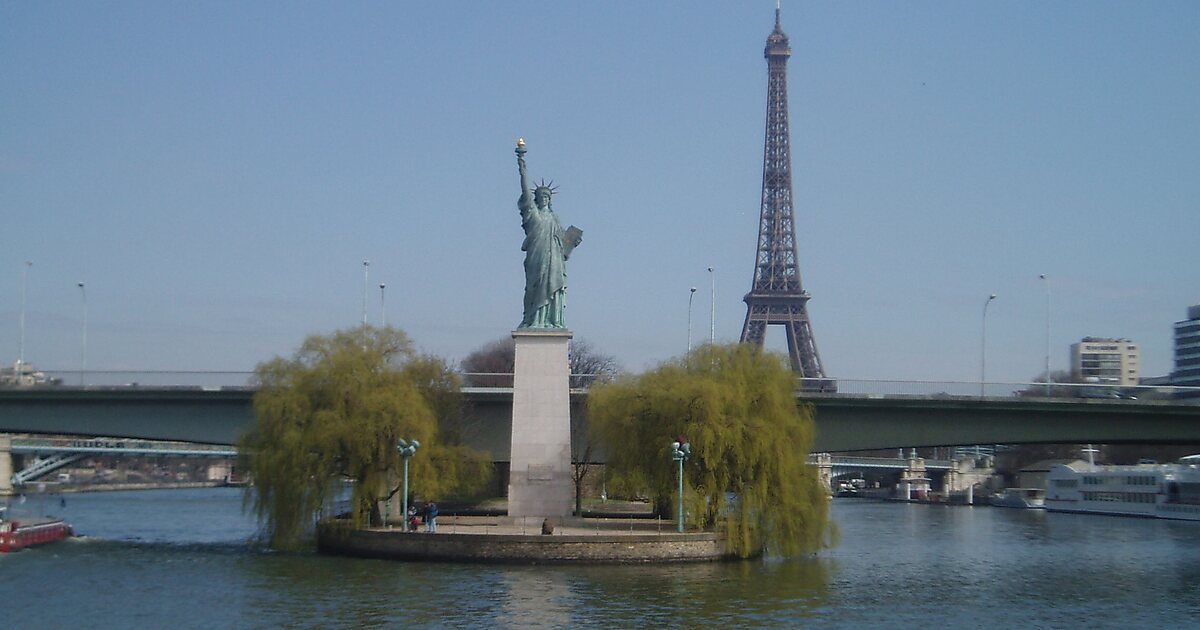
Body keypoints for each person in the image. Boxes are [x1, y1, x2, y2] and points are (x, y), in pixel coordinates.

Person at [514, 139, 581, 329]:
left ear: (550, 199)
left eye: (547, 196)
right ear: (536, 199)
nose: (544, 198)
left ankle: (552, 321)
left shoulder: (555, 218)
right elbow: (525, 191)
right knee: (534, 288)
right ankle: (533, 319)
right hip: (537, 257)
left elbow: (564, 244)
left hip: (554, 261)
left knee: (553, 286)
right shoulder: (532, 214)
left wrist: (573, 241)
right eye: (541, 196)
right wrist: (522, 165)